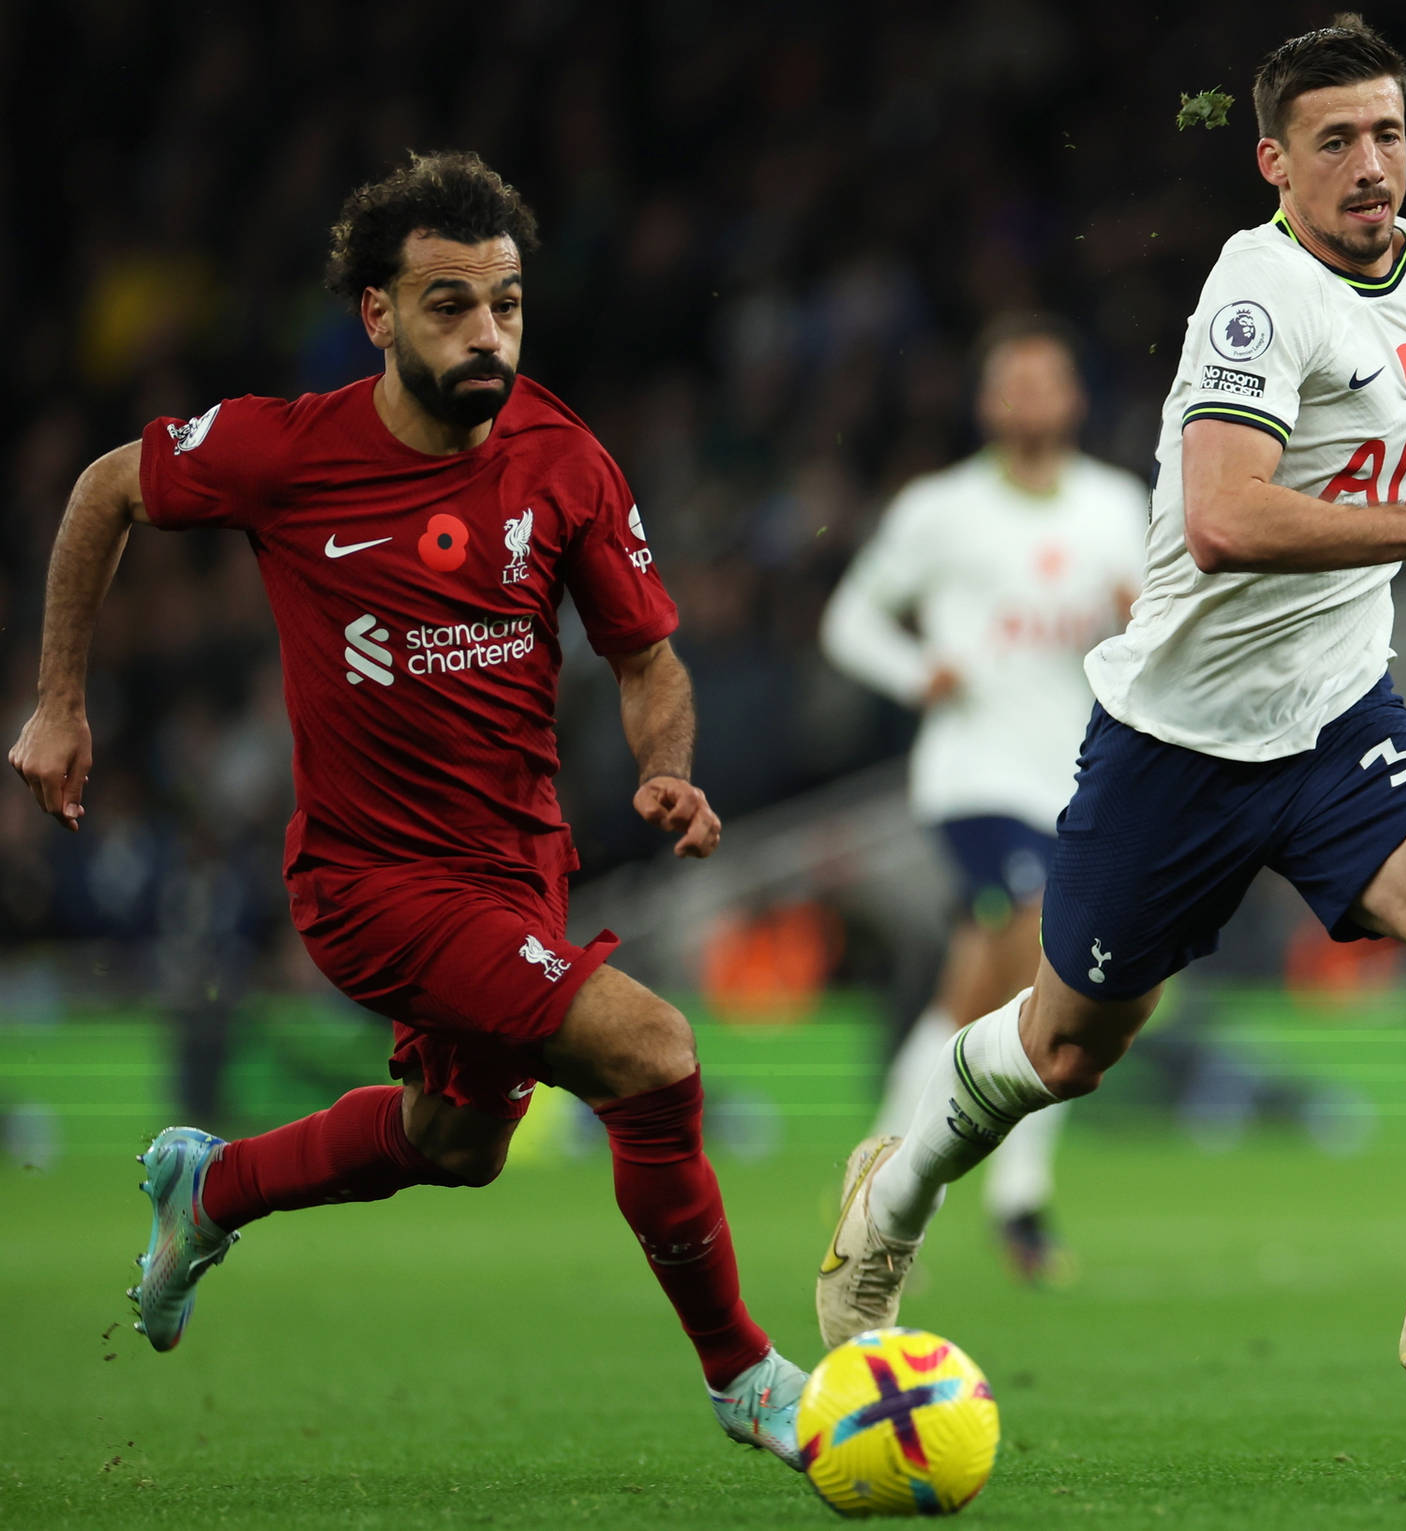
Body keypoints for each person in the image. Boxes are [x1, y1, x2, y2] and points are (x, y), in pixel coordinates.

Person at [815, 16, 1406, 1406]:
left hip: (1339, 714)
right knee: (1065, 1044)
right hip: (1178, 744)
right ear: (1274, 165)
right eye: (1337, 141)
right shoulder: (1254, 292)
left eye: (1389, 134)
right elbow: (1229, 521)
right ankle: (895, 1191)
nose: (1371, 165)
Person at [8, 152, 807, 1465]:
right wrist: (58, 702)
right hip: (372, 885)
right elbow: (105, 488)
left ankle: (208, 1186)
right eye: (449, 305)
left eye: (505, 303)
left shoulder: (564, 453)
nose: (485, 332)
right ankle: (744, 1371)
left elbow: (648, 653)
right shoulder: (287, 451)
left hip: (517, 871)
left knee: (455, 1143)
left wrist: (668, 762)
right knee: (656, 1053)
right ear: (376, 314)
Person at [820, 316, 1144, 1282]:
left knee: (1032, 991)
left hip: (1075, 780)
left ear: (1074, 398)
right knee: (1042, 945)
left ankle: (940, 1187)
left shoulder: (1117, 505)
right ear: (989, 402)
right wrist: (920, 670)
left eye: (1050, 380)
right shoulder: (941, 510)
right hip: (972, 779)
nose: (1033, 398)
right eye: (1015, 382)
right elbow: (850, 619)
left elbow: (1147, 622)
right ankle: (945, 1192)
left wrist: (1141, 624)